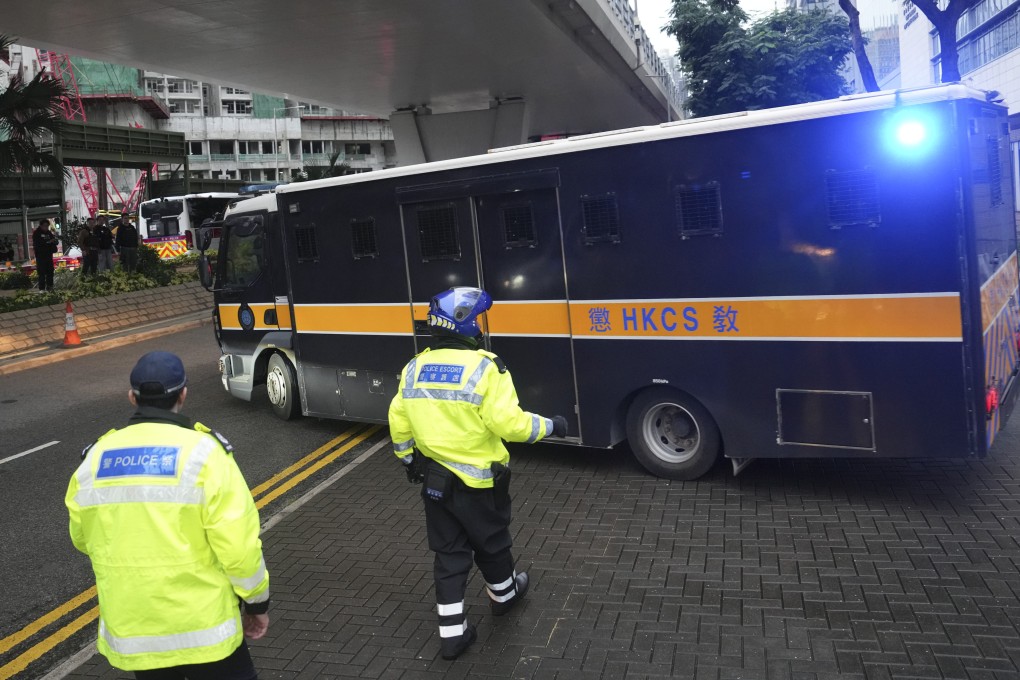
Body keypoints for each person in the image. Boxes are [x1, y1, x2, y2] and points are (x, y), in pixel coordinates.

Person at [388, 287, 568, 661]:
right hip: (480, 483)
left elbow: (398, 422)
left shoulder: (414, 368)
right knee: (493, 544)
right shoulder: (487, 367)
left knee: (449, 556)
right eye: (477, 319)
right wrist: (551, 426)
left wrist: (408, 461)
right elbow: (511, 425)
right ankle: (504, 597)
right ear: (465, 324)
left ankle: (452, 635)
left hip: (436, 484)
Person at [65, 351, 270, 679]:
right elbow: (239, 548)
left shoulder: (94, 460)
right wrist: (257, 605)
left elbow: (82, 538)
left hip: (137, 634)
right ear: (184, 394)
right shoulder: (205, 454)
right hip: (206, 631)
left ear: (132, 398)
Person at [31, 218, 59, 291]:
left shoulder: (49, 233)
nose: (46, 227)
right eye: (44, 226)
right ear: (41, 226)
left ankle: (50, 287)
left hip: (49, 256)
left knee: (50, 272)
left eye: (47, 226)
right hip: (41, 256)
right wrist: (48, 242)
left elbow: (54, 241)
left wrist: (55, 241)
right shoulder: (37, 233)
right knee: (41, 274)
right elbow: (38, 244)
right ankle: (42, 289)